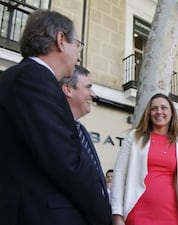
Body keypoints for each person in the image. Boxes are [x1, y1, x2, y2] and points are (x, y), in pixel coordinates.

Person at [0, 9, 111, 225]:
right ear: (61, 40)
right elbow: (67, 163)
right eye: (77, 45)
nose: (78, 56)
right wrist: (103, 215)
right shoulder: (33, 79)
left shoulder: (28, 78)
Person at [111, 93, 178, 225]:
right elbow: (119, 173)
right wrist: (116, 213)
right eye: (154, 108)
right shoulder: (134, 137)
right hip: (137, 213)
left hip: (171, 216)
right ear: (148, 113)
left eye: (163, 108)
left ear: (172, 113)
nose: (159, 111)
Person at [59, 65, 108, 199]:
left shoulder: (82, 131)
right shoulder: (56, 129)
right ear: (68, 89)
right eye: (88, 87)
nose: (93, 94)